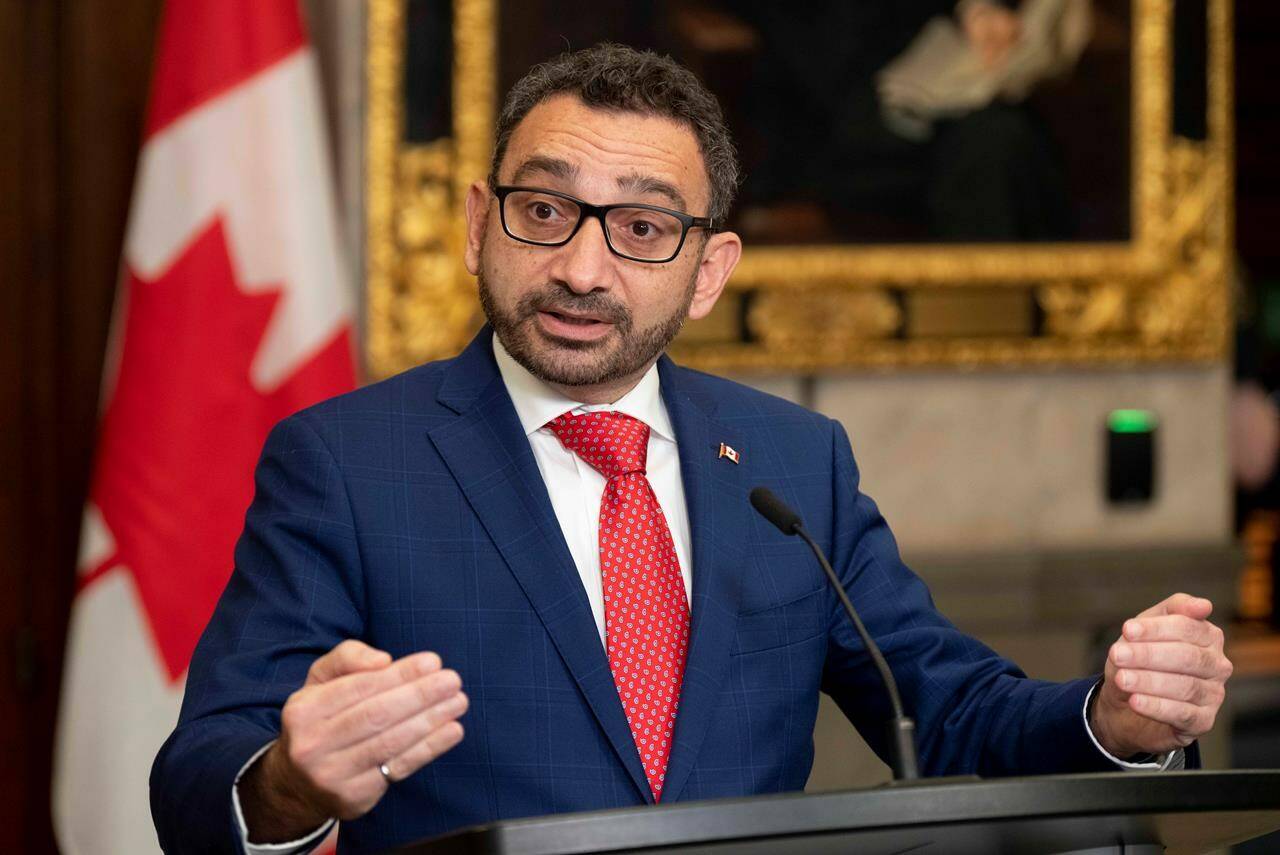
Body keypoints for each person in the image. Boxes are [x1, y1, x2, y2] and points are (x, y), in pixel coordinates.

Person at [150, 44, 1232, 855]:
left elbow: (944, 713)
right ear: (479, 223)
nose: (581, 267)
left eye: (641, 228)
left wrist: (1110, 718)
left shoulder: (789, 461)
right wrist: (291, 781)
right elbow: (195, 781)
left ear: (707, 270)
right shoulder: (345, 463)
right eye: (543, 210)